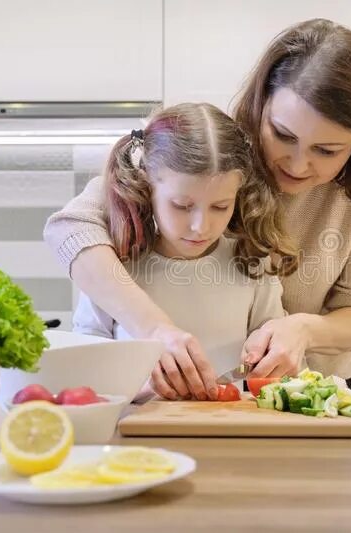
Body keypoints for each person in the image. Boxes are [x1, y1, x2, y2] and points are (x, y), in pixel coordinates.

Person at [45, 18, 351, 401]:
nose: (297, 165)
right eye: (283, 134)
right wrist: (153, 332)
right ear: (261, 103)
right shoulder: (216, 149)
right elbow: (70, 228)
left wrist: (304, 330)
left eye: (327, 151)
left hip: (313, 393)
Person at [71, 102, 296, 401]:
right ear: (147, 186)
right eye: (181, 206)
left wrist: (270, 359)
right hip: (134, 430)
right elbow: (84, 361)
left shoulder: (252, 260)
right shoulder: (112, 261)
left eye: (220, 206)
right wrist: (137, 389)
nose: (201, 227)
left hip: (226, 432)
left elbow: (276, 355)